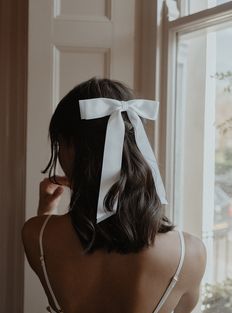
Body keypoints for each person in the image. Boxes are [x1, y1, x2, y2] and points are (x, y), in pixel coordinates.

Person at [22, 77, 207, 313]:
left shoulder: (36, 235)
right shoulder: (190, 254)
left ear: (69, 148)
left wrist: (45, 211)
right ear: (138, 146)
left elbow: (45, 256)